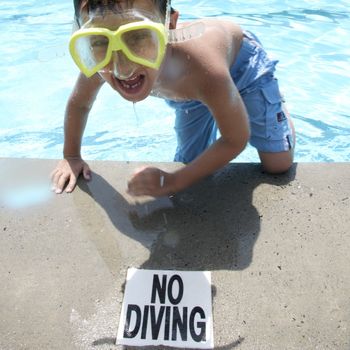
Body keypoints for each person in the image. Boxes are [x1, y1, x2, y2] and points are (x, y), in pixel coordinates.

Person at [51, 0, 295, 197]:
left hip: (242, 70)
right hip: (190, 92)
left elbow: (235, 138)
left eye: (137, 37)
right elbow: (80, 103)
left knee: (278, 165)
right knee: (191, 163)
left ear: (169, 27)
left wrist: (174, 181)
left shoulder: (203, 67)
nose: (122, 67)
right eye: (99, 40)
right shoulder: (103, 62)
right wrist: (71, 156)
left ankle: (276, 109)